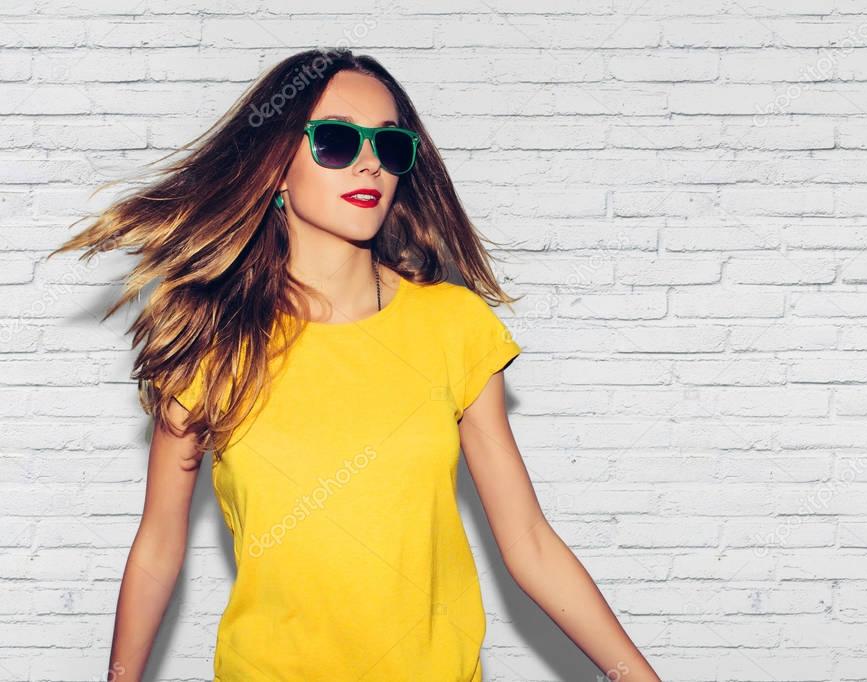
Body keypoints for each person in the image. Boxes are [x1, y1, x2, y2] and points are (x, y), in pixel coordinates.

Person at [52, 48, 661, 682]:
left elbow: (529, 541)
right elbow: (158, 546)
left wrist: (636, 676)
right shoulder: (215, 342)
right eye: (338, 141)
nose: (370, 161)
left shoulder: (453, 326)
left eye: (390, 146)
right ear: (277, 168)